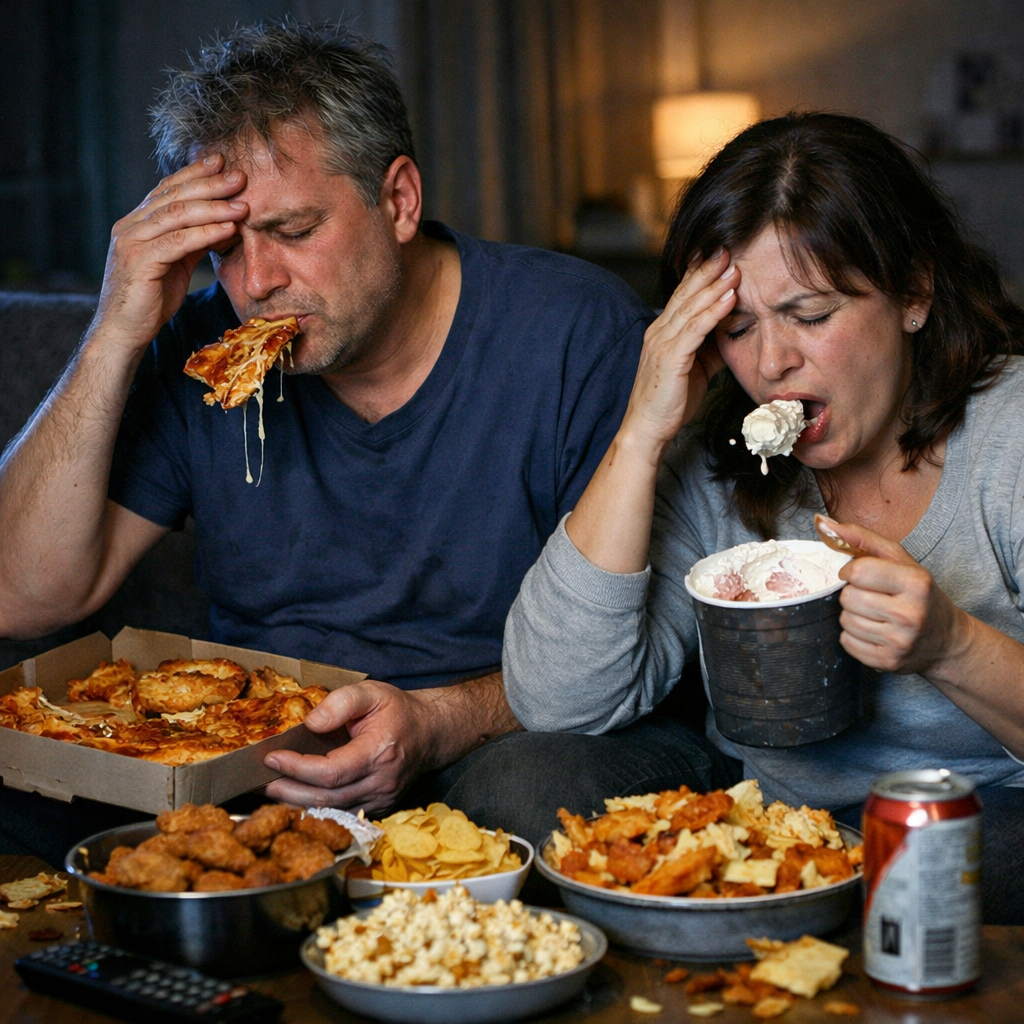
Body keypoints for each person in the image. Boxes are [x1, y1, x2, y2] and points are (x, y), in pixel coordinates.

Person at [0, 21, 733, 868]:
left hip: (507, 734)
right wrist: (113, 332)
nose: (255, 283)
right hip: (264, 754)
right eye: (225, 247)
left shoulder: (577, 334)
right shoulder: (203, 354)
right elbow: (23, 598)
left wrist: (435, 723)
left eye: (294, 229)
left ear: (399, 200)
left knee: (529, 794)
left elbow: (639, 653)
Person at [504, 112, 1024, 923]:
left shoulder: (1011, 435)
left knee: (957, 864)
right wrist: (643, 428)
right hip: (767, 819)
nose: (772, 364)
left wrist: (950, 645)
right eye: (738, 327)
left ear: (914, 293)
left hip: (978, 815)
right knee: (523, 782)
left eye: (810, 315)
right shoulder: (720, 461)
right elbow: (556, 702)